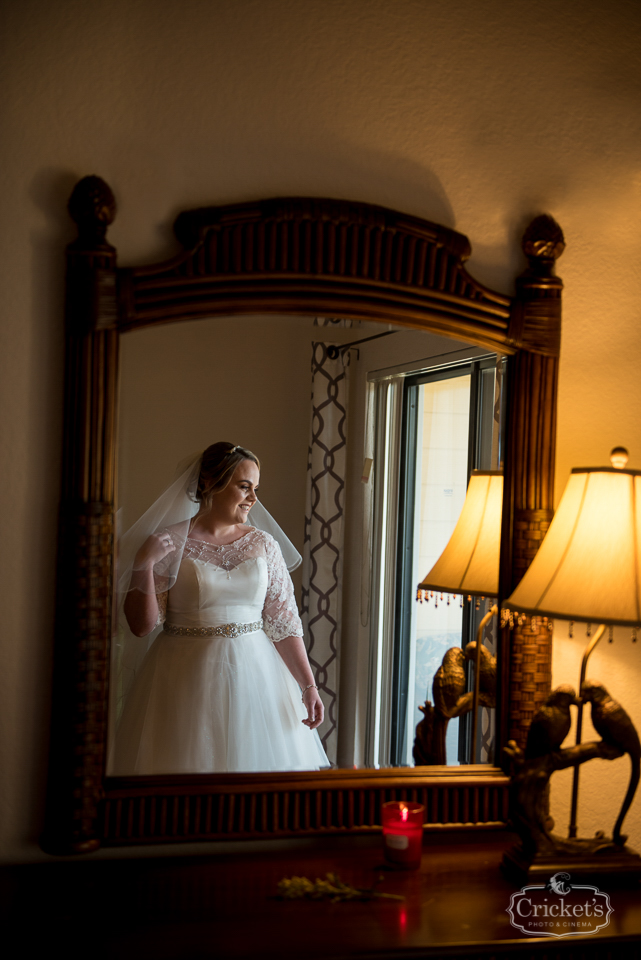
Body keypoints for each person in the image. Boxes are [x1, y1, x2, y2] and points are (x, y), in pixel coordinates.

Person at [109, 442, 328, 775]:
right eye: (244, 486)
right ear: (209, 483)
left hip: (257, 675)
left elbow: (284, 623)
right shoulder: (167, 542)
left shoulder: (263, 544)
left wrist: (308, 686)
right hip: (183, 675)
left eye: (255, 488)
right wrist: (144, 563)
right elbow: (141, 626)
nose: (253, 497)